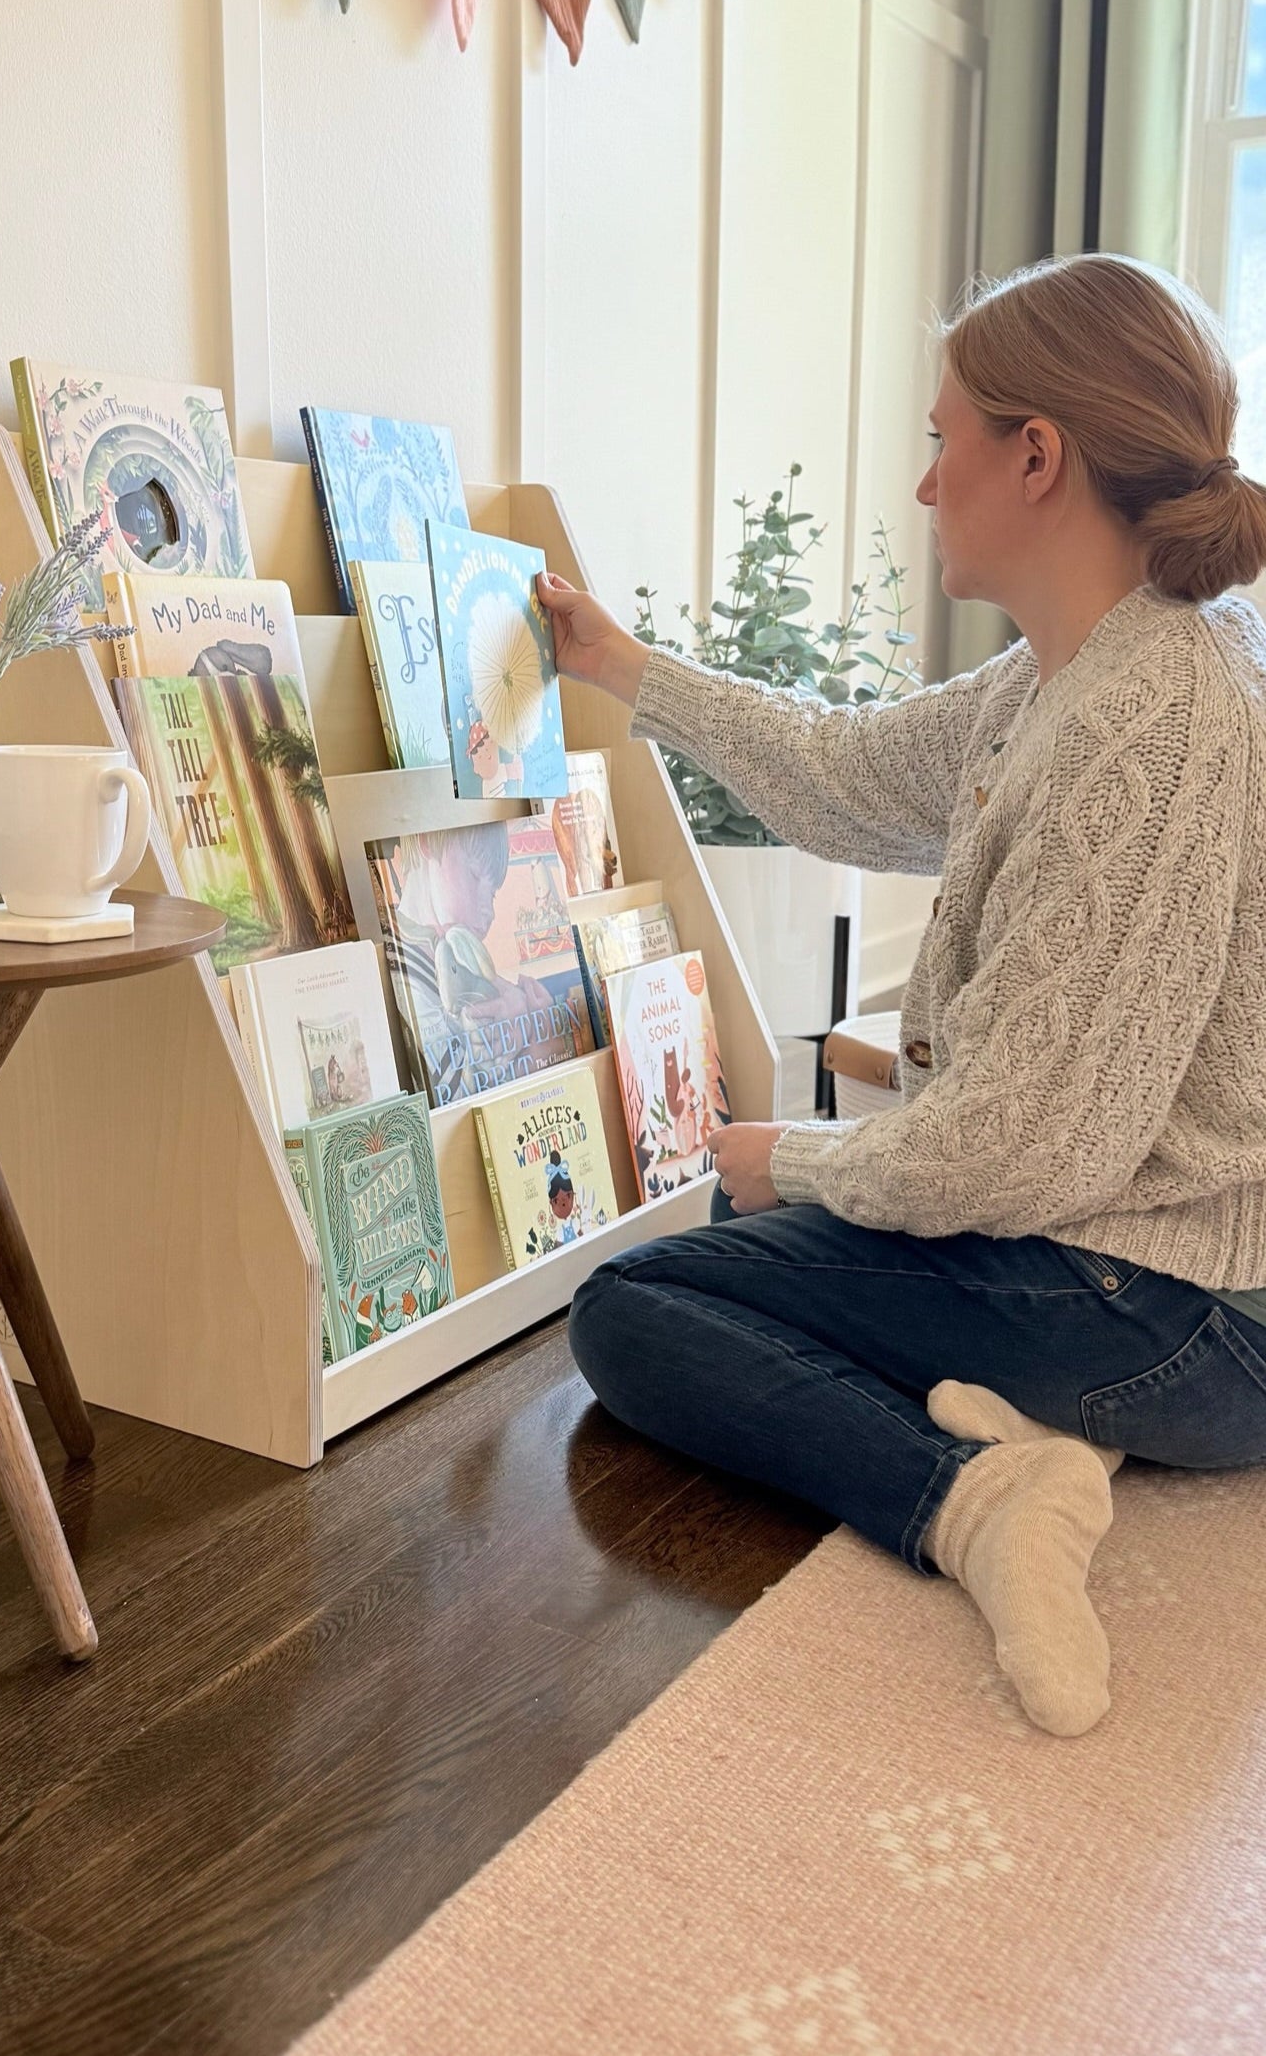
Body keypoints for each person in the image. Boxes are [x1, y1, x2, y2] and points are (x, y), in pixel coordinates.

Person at [538, 254, 1266, 1739]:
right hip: (1146, 1261)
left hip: (1185, 1310)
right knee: (767, 1235)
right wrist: (627, 669)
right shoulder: (1071, 672)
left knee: (632, 1309)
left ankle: (983, 1498)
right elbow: (846, 774)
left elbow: (1027, 1147)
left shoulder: (1155, 721)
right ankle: (1041, 1423)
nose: (929, 485)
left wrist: (795, 1156)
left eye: (945, 439)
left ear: (1038, 455)